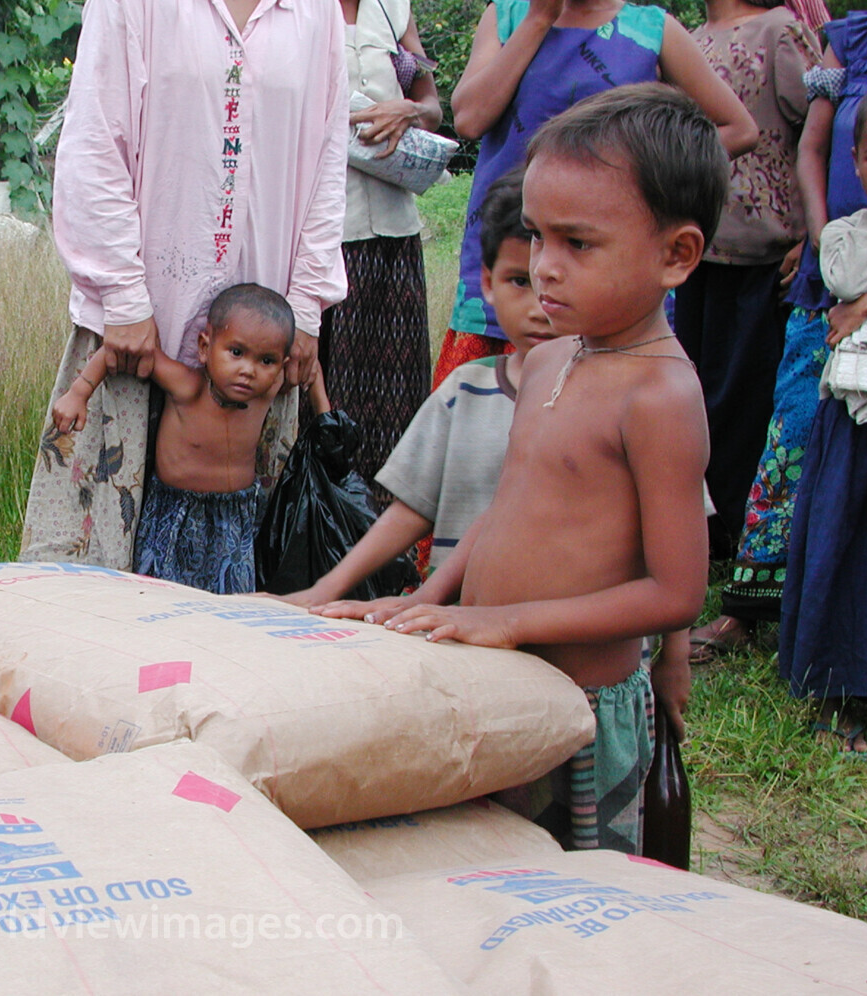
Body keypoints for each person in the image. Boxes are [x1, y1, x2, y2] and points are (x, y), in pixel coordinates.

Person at [322, 84, 723, 854]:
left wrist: (505, 620)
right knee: (482, 859)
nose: (546, 269)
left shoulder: (660, 396)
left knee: (574, 896)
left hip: (580, 710)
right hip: (495, 684)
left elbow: (677, 591)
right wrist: (430, 598)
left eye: (579, 244)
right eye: (537, 239)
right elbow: (504, 511)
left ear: (676, 255)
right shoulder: (545, 363)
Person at [21, 0, 347, 570]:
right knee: (95, 579)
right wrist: (121, 294)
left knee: (248, 579)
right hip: (136, 327)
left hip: (264, 334)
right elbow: (96, 138)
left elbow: (327, 159)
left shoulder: (316, 13)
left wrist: (305, 307)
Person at [696, 6, 867, 656]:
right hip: (839, 274)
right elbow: (812, 147)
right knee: (794, 428)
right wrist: (824, 242)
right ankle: (751, 606)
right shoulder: (850, 39)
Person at [436, 0, 756, 388]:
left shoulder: (652, 30)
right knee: (488, 414)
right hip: (513, 248)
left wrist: (643, 178)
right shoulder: (507, 16)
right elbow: (470, 118)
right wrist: (539, 19)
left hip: (605, 270)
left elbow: (737, 128)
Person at [281, 171, 551, 607]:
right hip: (452, 631)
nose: (541, 308)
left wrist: (671, 651)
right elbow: (413, 508)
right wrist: (324, 590)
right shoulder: (465, 390)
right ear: (487, 283)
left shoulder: (612, 396)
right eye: (520, 282)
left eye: (553, 283)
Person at [780, 83, 867, 754]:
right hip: (860, 418)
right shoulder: (843, 232)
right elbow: (844, 283)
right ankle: (841, 684)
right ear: (855, 161)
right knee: (853, 540)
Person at [675, 0, 820, 582]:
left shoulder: (780, 29)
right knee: (698, 396)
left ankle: (739, 536)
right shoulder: (688, 36)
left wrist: (813, 232)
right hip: (695, 249)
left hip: (765, 252)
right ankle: (696, 531)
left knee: (746, 401)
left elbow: (824, 133)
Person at [53, 284, 293, 594]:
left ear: (281, 366)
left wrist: (329, 419)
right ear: (204, 348)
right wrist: (79, 392)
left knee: (233, 603)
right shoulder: (188, 387)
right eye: (236, 353)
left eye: (266, 361)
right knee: (159, 598)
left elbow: (310, 370)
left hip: (234, 517)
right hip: (174, 513)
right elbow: (122, 349)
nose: (248, 370)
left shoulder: (267, 393)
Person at [322, 0, 441, 507]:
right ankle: (322, 533)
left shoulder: (394, 10)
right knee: (330, 390)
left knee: (397, 394)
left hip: (394, 232)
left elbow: (433, 105)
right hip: (327, 232)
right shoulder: (289, 11)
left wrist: (410, 110)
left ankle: (388, 544)